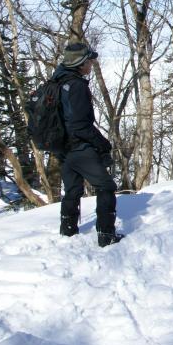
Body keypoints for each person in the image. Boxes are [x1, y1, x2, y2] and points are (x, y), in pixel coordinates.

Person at [54, 43, 124, 247]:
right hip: (79, 146)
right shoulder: (76, 86)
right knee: (106, 186)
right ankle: (106, 234)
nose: (92, 64)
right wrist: (102, 144)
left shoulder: (58, 81)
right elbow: (79, 124)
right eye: (89, 61)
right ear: (80, 63)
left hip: (62, 147)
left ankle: (67, 231)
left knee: (73, 189)